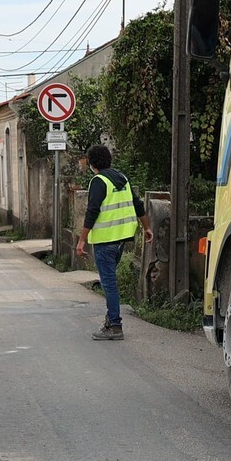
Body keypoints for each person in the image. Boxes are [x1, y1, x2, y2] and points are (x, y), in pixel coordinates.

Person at [80, 141, 136, 340]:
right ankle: (109, 321)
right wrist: (147, 228)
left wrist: (81, 240)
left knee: (109, 284)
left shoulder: (99, 181)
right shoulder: (122, 178)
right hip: (122, 240)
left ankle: (115, 326)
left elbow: (92, 211)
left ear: (92, 164)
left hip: (105, 242)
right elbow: (137, 205)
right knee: (110, 282)